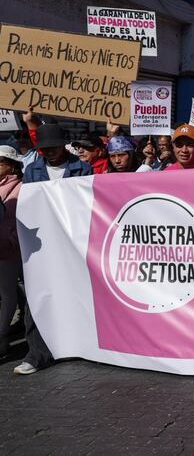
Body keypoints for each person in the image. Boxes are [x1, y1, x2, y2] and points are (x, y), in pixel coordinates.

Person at [17, 124, 93, 375]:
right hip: (42, 245)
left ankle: (80, 345)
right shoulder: (32, 170)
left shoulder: (83, 167)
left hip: (73, 242)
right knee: (37, 297)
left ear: (64, 145)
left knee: (78, 294)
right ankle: (36, 354)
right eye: (44, 149)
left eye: (53, 147)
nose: (48, 152)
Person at [0, 145, 22, 357]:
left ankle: (2, 335)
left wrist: (11, 240)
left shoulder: (21, 187)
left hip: (7, 250)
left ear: (11, 166)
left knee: (7, 294)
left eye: (0, 162)